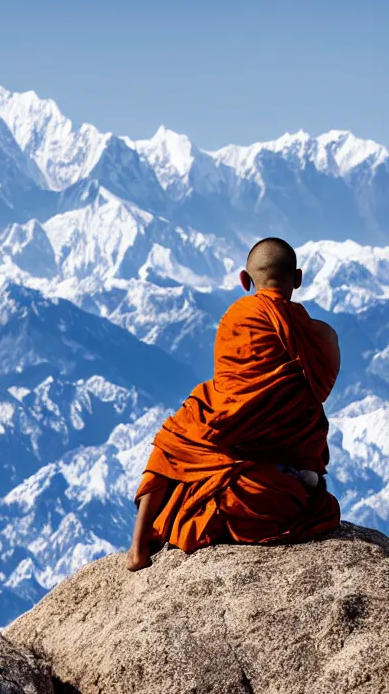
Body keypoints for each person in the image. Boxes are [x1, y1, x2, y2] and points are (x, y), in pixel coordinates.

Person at [127, 237, 341, 571]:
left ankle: (138, 547)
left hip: (250, 482)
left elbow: (232, 397)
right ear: (297, 279)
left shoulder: (237, 317)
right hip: (287, 494)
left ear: (245, 280)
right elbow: (312, 399)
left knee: (182, 427)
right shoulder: (323, 337)